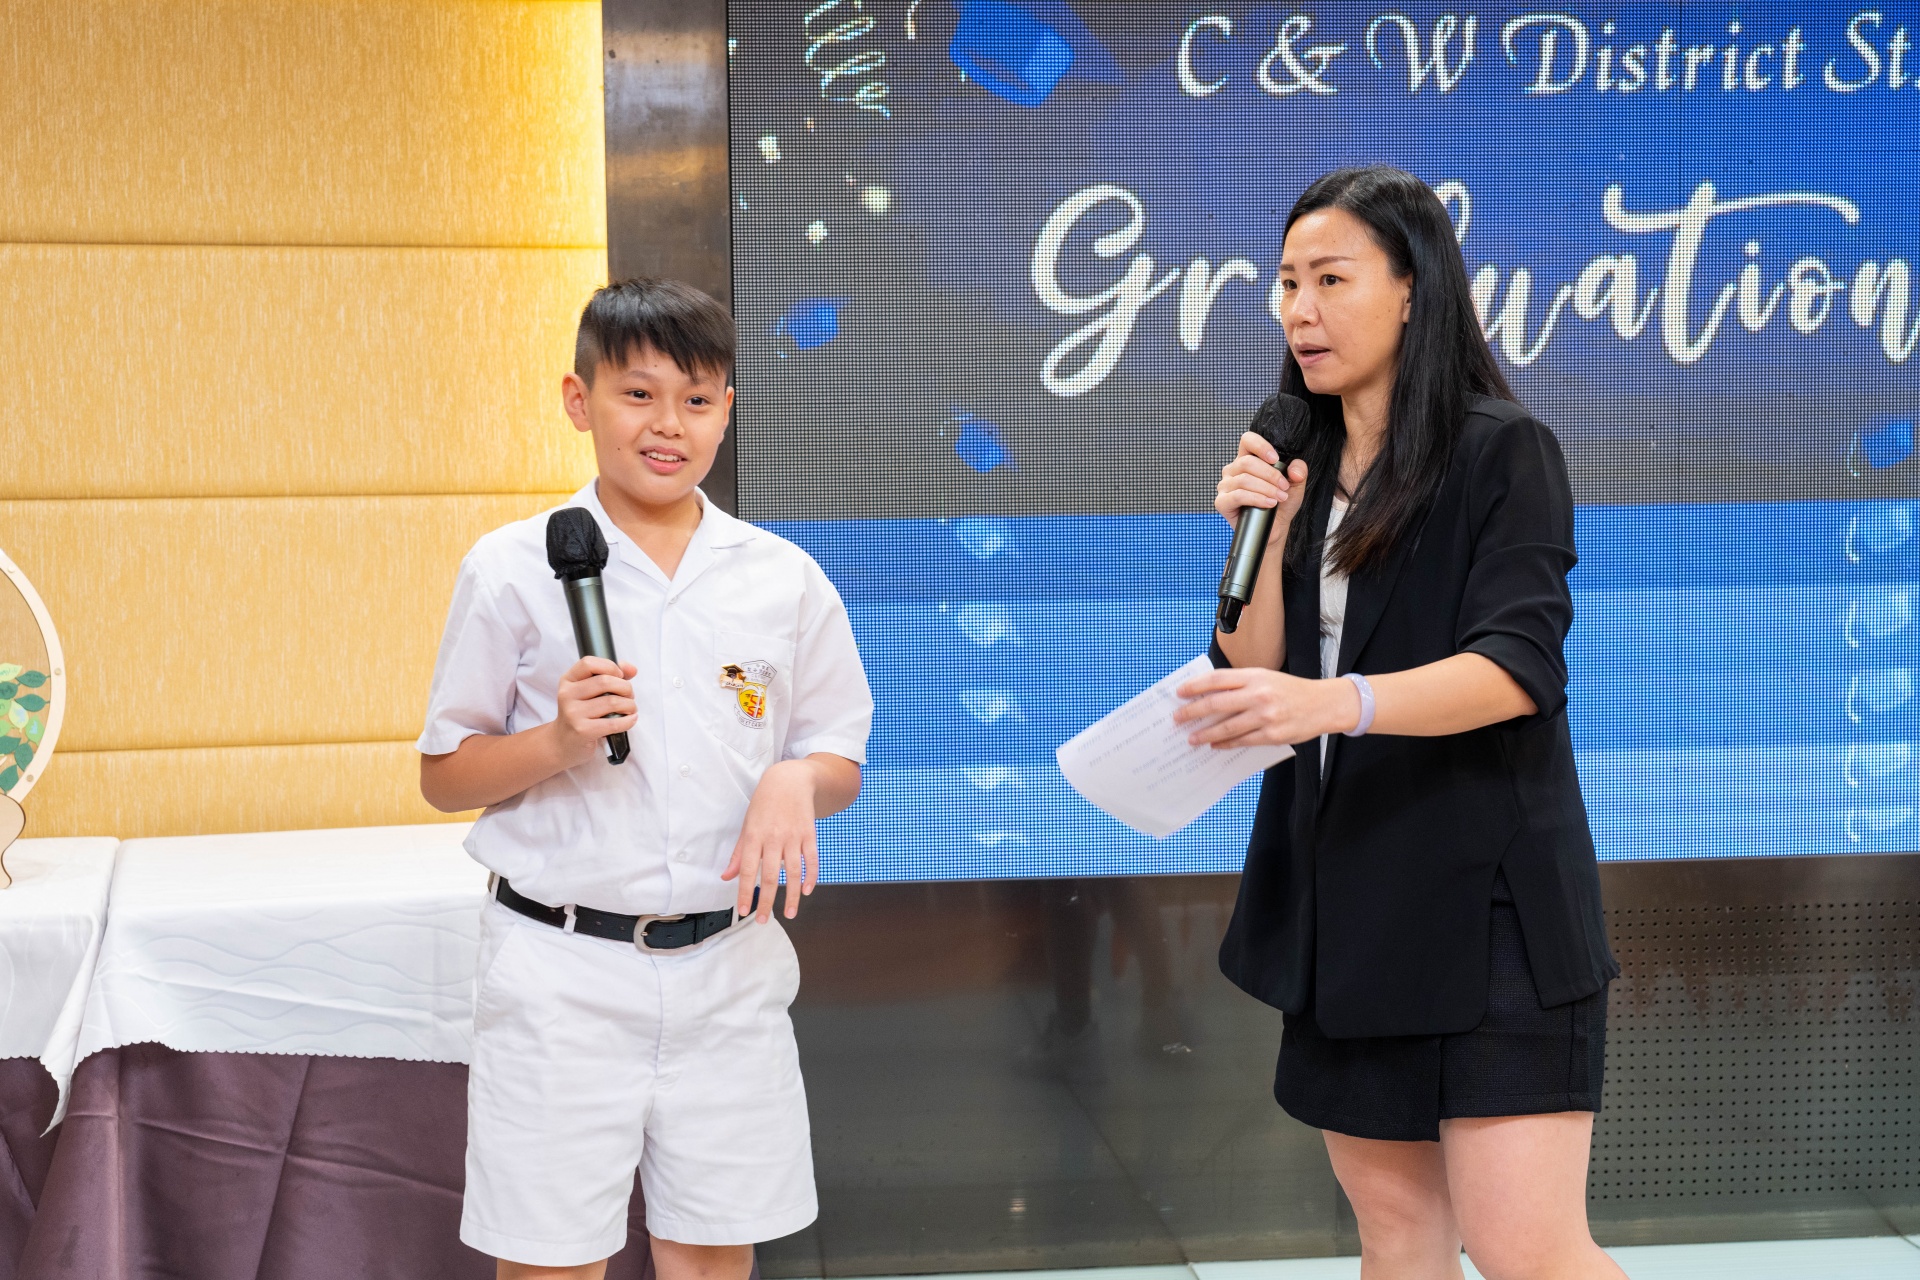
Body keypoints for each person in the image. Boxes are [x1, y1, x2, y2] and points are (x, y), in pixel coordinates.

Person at [1175, 166, 1624, 1280]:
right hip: (1350, 905)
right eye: (1287, 282)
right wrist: (1261, 533)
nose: (1300, 310)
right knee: (1397, 1236)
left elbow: (1518, 667)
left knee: (1525, 1249)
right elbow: (1257, 667)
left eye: (1331, 279)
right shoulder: (1300, 458)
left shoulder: (1501, 448)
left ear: (1414, 288)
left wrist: (1339, 701)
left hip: (1492, 910)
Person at [416, 278, 873, 1280]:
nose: (670, 424)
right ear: (578, 400)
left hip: (729, 964)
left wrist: (797, 780)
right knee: (552, 1262)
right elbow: (444, 775)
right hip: (561, 970)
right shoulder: (510, 567)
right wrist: (556, 741)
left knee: (710, 1254)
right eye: (639, 394)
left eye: (697, 399)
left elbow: (838, 751)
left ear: (726, 412)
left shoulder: (782, 575)